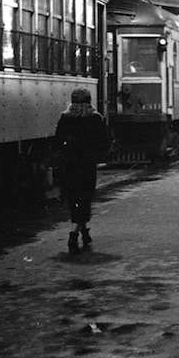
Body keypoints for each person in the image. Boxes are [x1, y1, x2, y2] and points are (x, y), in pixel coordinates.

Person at [55, 87, 108, 254]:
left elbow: (58, 140)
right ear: (89, 100)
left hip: (69, 165)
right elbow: (103, 142)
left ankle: (84, 232)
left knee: (74, 199)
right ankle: (74, 233)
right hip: (87, 165)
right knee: (85, 198)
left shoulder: (65, 117)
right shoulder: (95, 118)